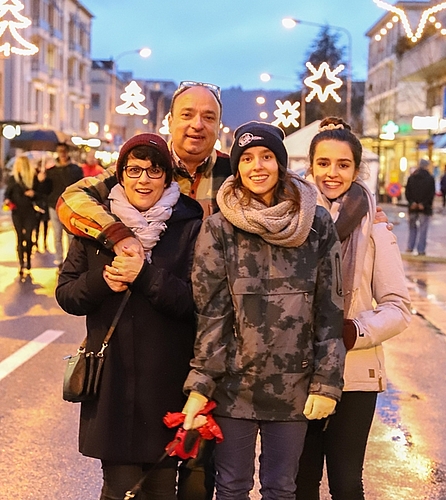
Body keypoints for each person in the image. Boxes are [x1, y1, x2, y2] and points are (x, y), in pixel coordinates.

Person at [55, 81, 232, 500]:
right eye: (187, 114)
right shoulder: (129, 172)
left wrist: (361, 213)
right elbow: (70, 199)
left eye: (208, 117)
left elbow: (200, 299)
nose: (196, 125)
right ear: (170, 121)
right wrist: (117, 237)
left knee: (196, 481)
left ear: (219, 125)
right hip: (117, 373)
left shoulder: (231, 175)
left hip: (198, 359)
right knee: (121, 485)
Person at [181, 121, 346, 500]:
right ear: (237, 166)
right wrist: (200, 386)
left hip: (295, 387)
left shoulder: (316, 223)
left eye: (267, 157)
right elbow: (211, 317)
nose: (257, 166)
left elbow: (330, 311)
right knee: (232, 488)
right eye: (248, 158)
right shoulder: (219, 229)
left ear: (281, 163)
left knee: (281, 489)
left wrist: (326, 383)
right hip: (234, 387)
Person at [295, 117, 411, 500]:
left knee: (346, 483)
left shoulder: (375, 229)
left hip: (354, 373)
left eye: (343, 164)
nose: (332, 173)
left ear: (356, 169)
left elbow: (398, 307)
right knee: (299, 483)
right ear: (310, 165)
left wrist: (353, 331)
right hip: (295, 368)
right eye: (324, 163)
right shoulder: (290, 221)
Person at [3, 155, 48, 277]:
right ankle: (21, 263)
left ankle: (28, 259)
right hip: (17, 212)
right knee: (19, 237)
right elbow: (7, 193)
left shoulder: (33, 178)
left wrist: (34, 193)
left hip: (30, 211)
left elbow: (42, 195)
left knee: (28, 237)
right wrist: (7, 200)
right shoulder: (14, 179)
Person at [45, 142, 83, 270]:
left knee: (71, 236)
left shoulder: (75, 169)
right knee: (57, 235)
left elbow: (80, 187)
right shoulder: (50, 171)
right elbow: (45, 190)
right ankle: (59, 260)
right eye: (59, 151)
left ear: (67, 153)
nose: (62, 153)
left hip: (70, 206)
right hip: (53, 205)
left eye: (64, 151)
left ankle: (70, 261)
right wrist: (41, 179)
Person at [405, 158, 436, 256]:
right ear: (426, 166)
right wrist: (424, 204)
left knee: (412, 228)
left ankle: (410, 247)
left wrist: (412, 202)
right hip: (425, 208)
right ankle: (421, 249)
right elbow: (431, 194)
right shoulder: (430, 178)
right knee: (423, 229)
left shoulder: (412, 177)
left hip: (412, 207)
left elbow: (407, 192)